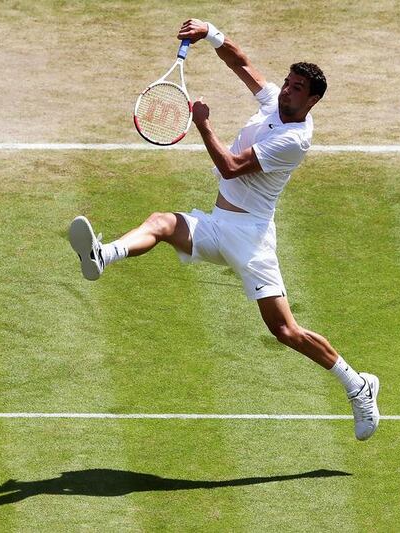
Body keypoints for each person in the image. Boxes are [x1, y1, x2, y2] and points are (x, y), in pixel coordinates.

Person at [68, 19, 380, 440]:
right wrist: (211, 33)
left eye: (297, 88)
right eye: (288, 83)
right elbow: (243, 63)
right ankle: (102, 256)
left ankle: (357, 385)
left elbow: (231, 166)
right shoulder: (274, 104)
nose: (286, 90)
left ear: (313, 101)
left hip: (250, 238)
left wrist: (202, 124)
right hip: (218, 224)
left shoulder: (295, 140)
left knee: (285, 330)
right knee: (161, 223)